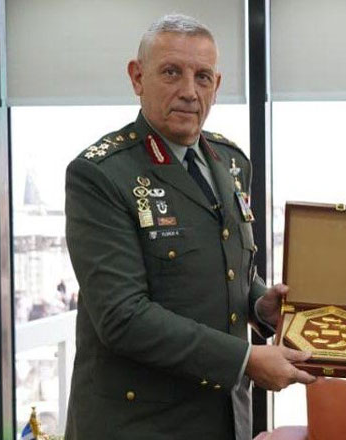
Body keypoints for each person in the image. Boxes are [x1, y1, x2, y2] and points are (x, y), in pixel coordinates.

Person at [64, 14, 315, 440]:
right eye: (171, 72)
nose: (188, 91)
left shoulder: (231, 162)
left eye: (202, 77)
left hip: (223, 418)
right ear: (137, 77)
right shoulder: (101, 174)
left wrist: (260, 306)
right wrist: (245, 359)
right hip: (139, 425)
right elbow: (122, 316)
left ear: (217, 85)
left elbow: (230, 267)